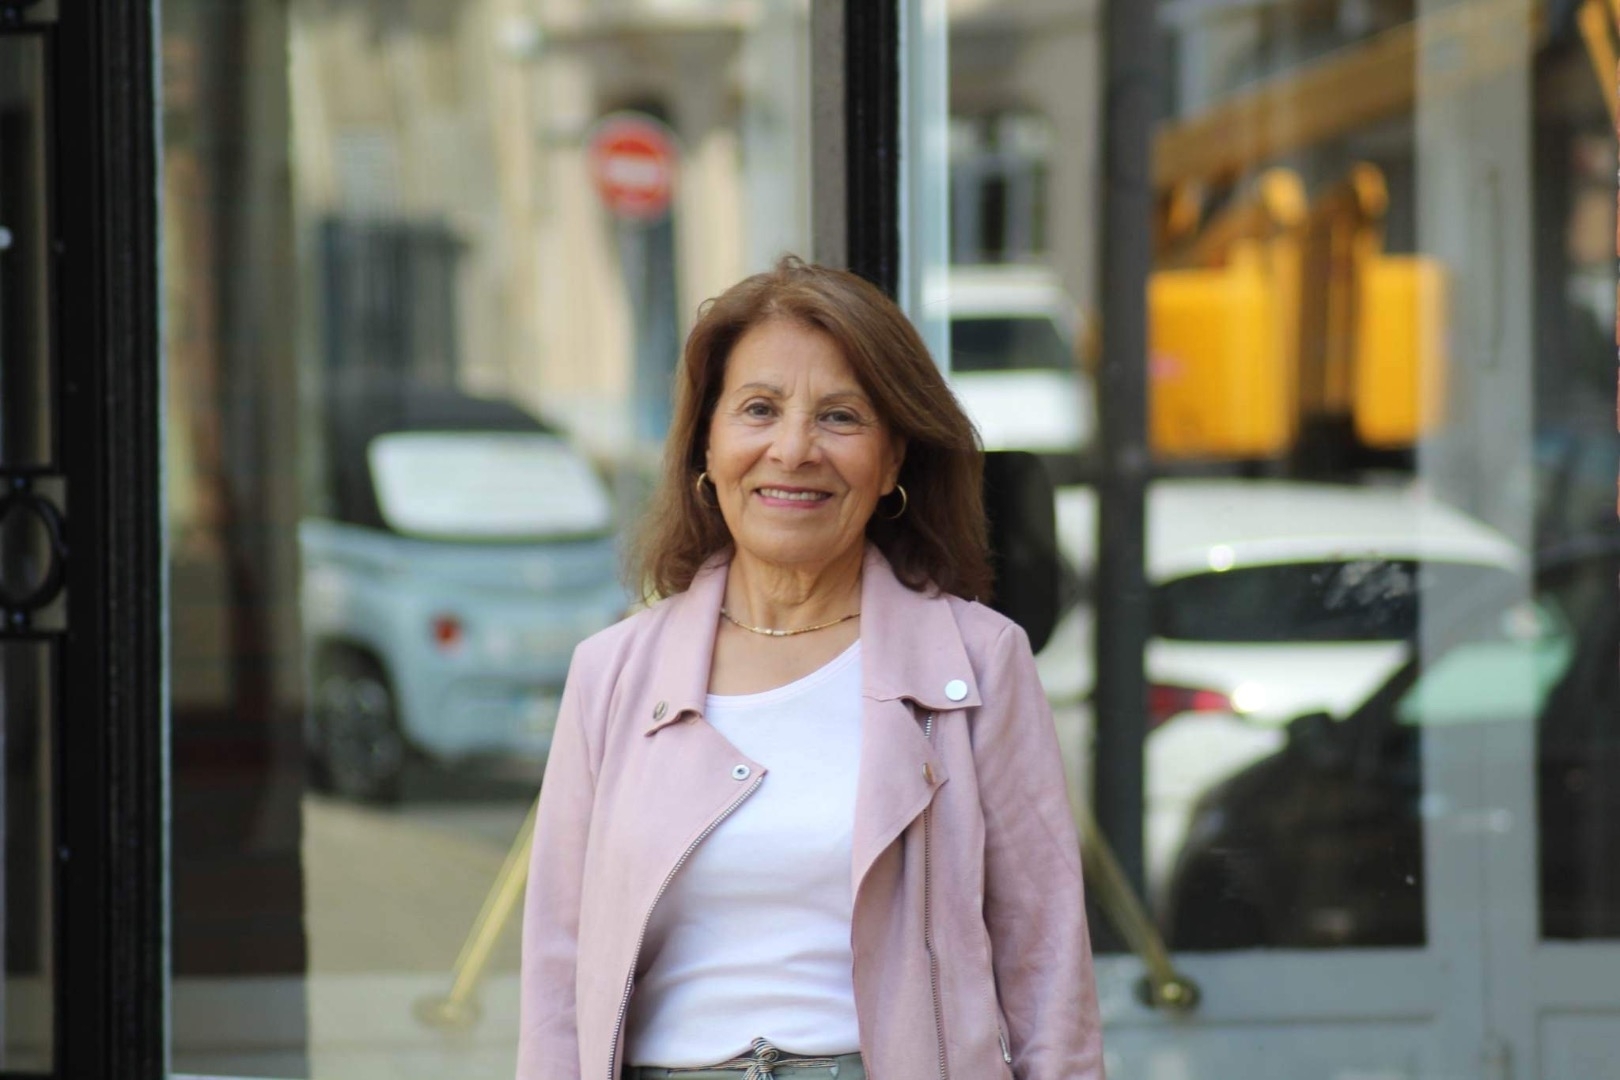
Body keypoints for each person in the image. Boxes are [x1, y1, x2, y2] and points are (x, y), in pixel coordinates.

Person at [518, 257, 1103, 1080]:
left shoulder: (979, 663)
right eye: (759, 409)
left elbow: (1048, 970)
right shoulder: (611, 674)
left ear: (892, 461)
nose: (793, 450)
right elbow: (557, 977)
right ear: (707, 443)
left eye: (840, 417)